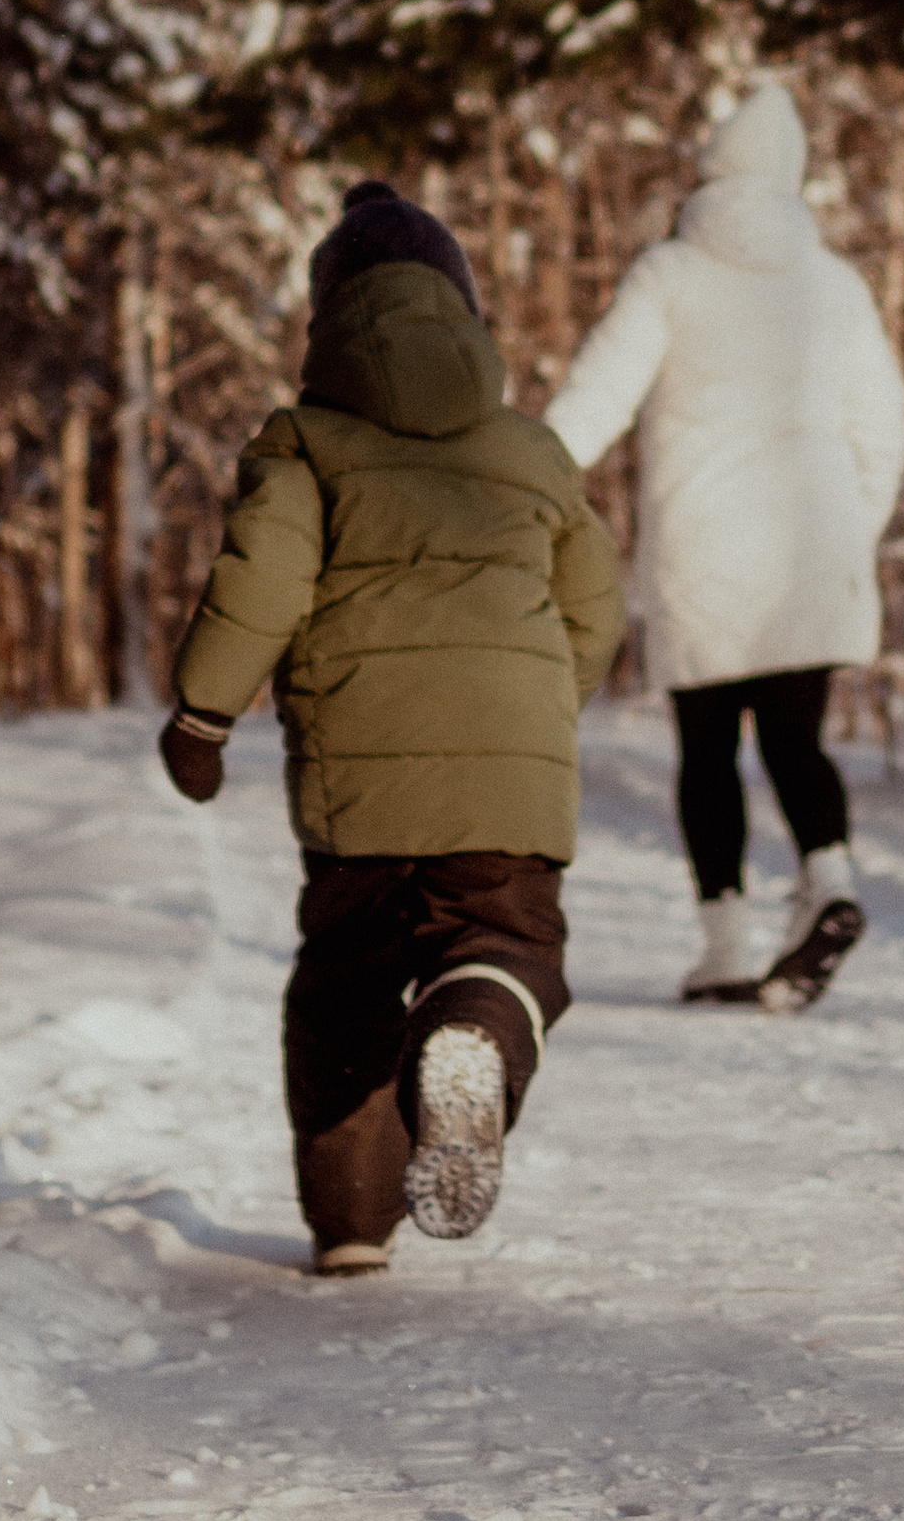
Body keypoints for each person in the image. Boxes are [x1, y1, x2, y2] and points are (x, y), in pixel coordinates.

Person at [160, 178, 624, 1276]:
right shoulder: (533, 451)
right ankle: (472, 1023)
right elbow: (595, 606)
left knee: (344, 990)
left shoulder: (306, 444)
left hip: (358, 786)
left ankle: (354, 1224)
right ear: (462, 310)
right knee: (505, 942)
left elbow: (262, 580)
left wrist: (201, 714)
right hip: (509, 777)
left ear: (327, 322)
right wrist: (539, 711)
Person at [544, 82, 904, 1010]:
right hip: (809, 549)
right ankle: (830, 881)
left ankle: (727, 947)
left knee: (708, 753)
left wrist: (521, 480)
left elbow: (599, 395)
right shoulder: (832, 283)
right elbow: (885, 429)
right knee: (797, 741)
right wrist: (850, 531)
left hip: (701, 549)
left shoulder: (668, 273)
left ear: (708, 173)